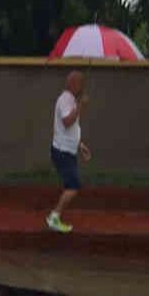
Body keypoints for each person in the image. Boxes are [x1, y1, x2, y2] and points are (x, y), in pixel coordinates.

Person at [47, 71, 91, 233]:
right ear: (72, 84)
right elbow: (66, 122)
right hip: (63, 152)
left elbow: (71, 129)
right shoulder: (65, 100)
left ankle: (55, 216)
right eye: (80, 83)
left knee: (71, 185)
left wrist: (80, 145)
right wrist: (81, 106)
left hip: (68, 150)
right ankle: (54, 217)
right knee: (73, 186)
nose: (82, 86)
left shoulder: (70, 100)